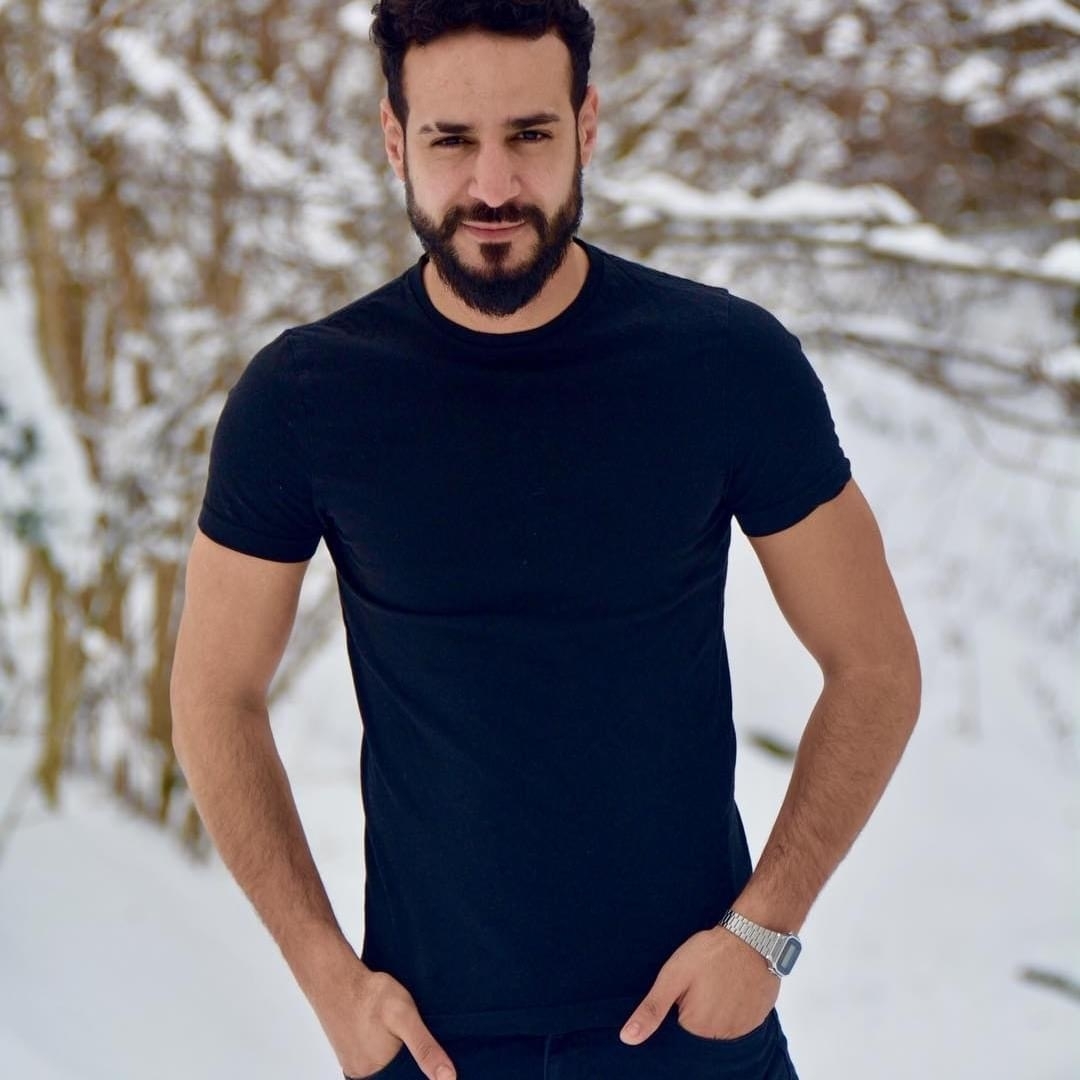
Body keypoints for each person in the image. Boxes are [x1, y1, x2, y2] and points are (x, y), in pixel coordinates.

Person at [169, 2, 922, 1078]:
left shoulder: (723, 364)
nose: (492, 186)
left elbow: (876, 665)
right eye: (451, 140)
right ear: (394, 139)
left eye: (529, 134)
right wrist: (328, 980)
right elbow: (214, 694)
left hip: (693, 1038)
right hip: (431, 1046)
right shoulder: (305, 397)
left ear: (587, 125)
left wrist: (763, 932)